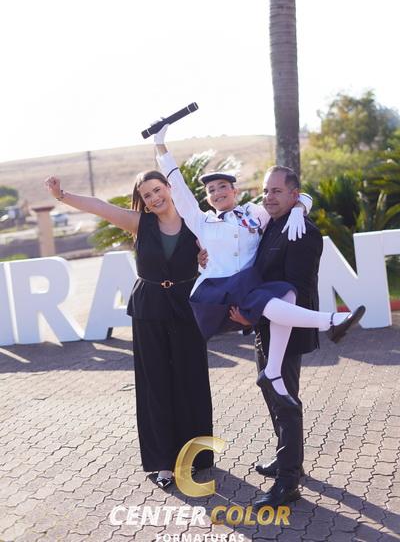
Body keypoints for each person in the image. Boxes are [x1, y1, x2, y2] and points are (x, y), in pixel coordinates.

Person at [153, 125, 365, 409]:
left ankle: (272, 370)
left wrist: (300, 210)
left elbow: (294, 196)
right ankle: (331, 321)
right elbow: (178, 189)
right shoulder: (201, 221)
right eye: (211, 190)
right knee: (270, 297)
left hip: (248, 287)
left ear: (235, 191)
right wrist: (160, 146)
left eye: (223, 186)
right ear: (207, 199)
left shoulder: (255, 213)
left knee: (287, 292)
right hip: (217, 292)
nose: (217, 192)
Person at [44, 171, 213, 489]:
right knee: (156, 385)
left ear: (169, 188)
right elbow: (99, 206)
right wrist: (61, 196)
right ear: (143, 201)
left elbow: (226, 247)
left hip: (186, 307)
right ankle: (163, 463)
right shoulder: (140, 223)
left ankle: (196, 456)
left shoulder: (196, 222)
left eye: (157, 190)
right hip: (149, 309)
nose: (154, 198)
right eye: (147, 195)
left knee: (190, 380)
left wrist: (207, 257)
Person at [233, 165, 347, 509]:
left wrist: (255, 312)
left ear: (294, 195)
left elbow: (293, 290)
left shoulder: (302, 231)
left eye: (277, 191)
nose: (268, 197)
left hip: (287, 330)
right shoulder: (273, 221)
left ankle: (288, 482)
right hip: (264, 328)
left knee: (286, 402)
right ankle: (288, 460)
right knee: (272, 394)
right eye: (265, 190)